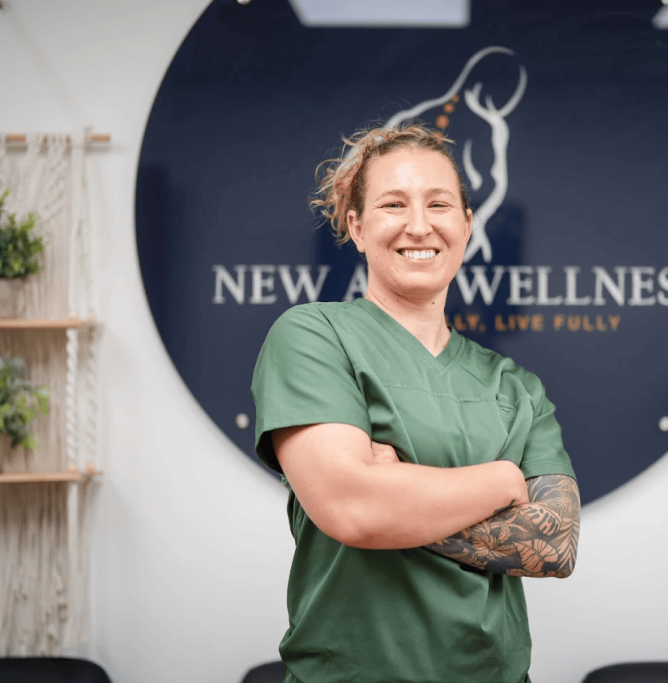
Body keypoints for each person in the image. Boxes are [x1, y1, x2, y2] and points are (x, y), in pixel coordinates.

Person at [251, 122, 580, 683]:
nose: (419, 225)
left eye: (439, 204)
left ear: (467, 224)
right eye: (393, 205)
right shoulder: (313, 336)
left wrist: (399, 498)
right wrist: (502, 482)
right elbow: (353, 507)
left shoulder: (514, 385)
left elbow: (555, 542)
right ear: (356, 228)